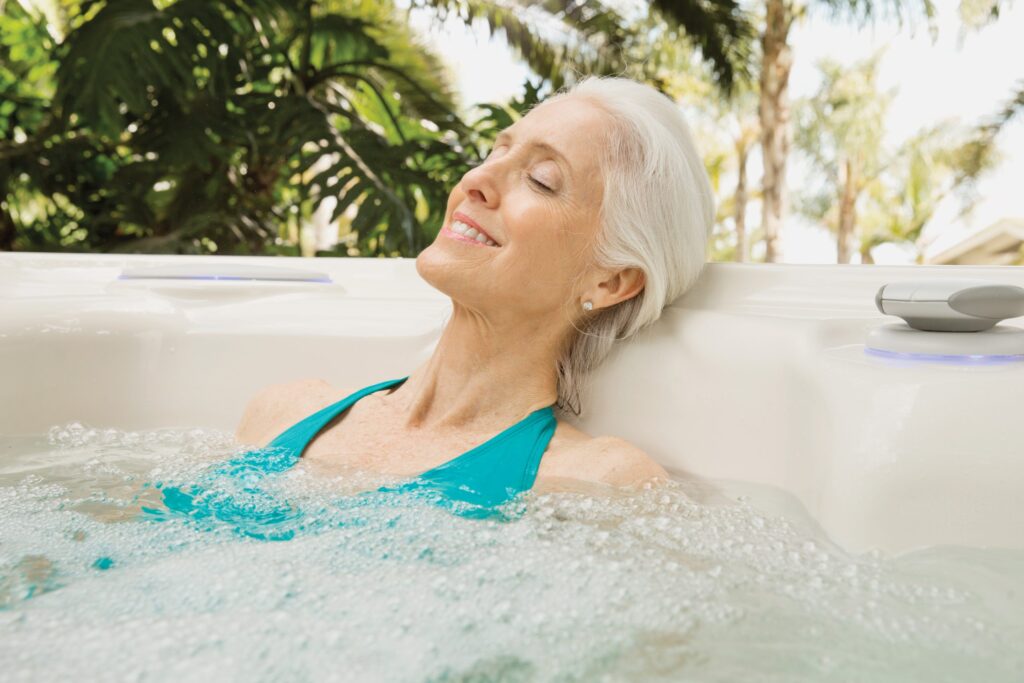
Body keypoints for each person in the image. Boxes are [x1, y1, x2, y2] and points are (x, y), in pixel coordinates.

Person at [223, 75, 715, 523]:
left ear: (611, 281)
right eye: (495, 153)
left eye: (541, 179)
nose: (475, 182)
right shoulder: (282, 411)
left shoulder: (599, 483)